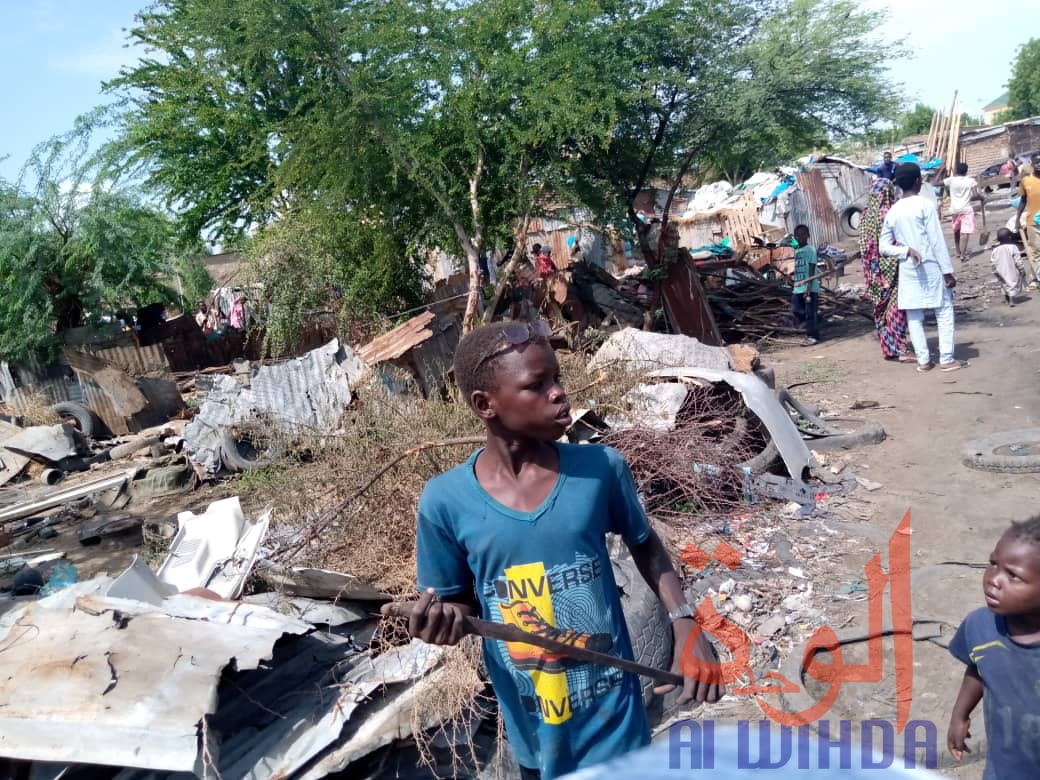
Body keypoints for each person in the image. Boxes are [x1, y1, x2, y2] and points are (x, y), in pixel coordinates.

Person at [386, 321, 722, 779]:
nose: (560, 393)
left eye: (557, 378)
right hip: (535, 732)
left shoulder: (600, 469)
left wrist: (684, 622)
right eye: (536, 385)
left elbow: (646, 547)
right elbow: (457, 602)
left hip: (616, 722)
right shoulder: (446, 501)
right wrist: (441, 623)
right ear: (486, 405)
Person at [947, 516, 1040, 778]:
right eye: (993, 564)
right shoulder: (980, 625)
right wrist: (960, 715)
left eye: (1013, 575)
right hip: (1004, 767)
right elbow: (978, 667)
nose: (993, 580)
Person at [879, 163, 960, 373]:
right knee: (943, 310)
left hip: (908, 268)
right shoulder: (925, 205)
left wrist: (904, 250)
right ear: (918, 181)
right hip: (931, 265)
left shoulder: (893, 211)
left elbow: (884, 247)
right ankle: (947, 359)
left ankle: (924, 361)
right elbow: (936, 240)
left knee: (914, 315)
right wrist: (947, 271)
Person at [858, 178, 915, 363]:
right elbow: (896, 242)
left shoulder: (865, 215)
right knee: (896, 311)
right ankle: (900, 349)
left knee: (880, 312)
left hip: (872, 275)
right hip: (891, 271)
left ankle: (889, 348)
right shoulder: (888, 213)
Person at [943, 162, 982, 262]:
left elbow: (937, 182)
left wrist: (941, 170)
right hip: (966, 209)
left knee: (957, 231)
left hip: (955, 210)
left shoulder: (951, 180)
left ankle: (957, 252)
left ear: (957, 171)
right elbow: (975, 195)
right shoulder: (970, 181)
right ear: (966, 171)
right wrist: (982, 197)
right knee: (965, 232)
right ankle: (963, 255)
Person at [791, 224, 820, 346]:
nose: (800, 237)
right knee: (796, 310)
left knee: (809, 313)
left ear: (808, 235)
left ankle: (812, 336)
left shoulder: (810, 249)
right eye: (797, 235)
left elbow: (812, 267)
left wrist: (809, 286)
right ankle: (815, 324)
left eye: (802, 234)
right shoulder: (796, 251)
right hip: (797, 287)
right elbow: (795, 268)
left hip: (809, 287)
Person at [991, 228, 1027, 306]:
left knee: (1003, 283)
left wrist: (994, 270)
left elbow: (993, 261)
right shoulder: (1013, 247)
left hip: (999, 269)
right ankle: (1011, 300)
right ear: (1009, 237)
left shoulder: (995, 249)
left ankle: (1006, 299)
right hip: (1011, 269)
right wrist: (1021, 269)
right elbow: (1018, 260)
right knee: (1012, 283)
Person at [1016, 154, 1040, 256]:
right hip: (1033, 222)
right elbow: (1023, 201)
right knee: (1036, 251)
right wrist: (1017, 219)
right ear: (1032, 164)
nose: (1039, 164)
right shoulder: (1025, 181)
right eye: (1037, 162)